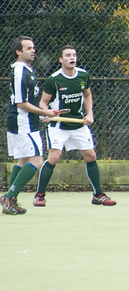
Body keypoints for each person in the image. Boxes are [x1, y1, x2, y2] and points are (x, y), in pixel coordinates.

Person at [33, 45, 116, 207]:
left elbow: (87, 94)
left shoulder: (83, 75)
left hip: (78, 125)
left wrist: (89, 114)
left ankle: (97, 195)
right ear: (60, 59)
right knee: (54, 157)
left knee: (91, 156)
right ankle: (39, 195)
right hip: (58, 126)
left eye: (74, 55)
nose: (72, 58)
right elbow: (43, 102)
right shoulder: (54, 80)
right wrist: (47, 113)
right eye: (68, 55)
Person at [2, 36, 58, 215]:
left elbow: (31, 101)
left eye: (33, 47)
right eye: (28, 48)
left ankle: (12, 201)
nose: (33, 50)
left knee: (23, 160)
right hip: (21, 122)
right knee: (36, 160)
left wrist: (42, 115)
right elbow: (21, 103)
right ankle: (8, 196)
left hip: (30, 122)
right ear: (18, 52)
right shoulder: (19, 71)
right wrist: (45, 112)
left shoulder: (28, 70)